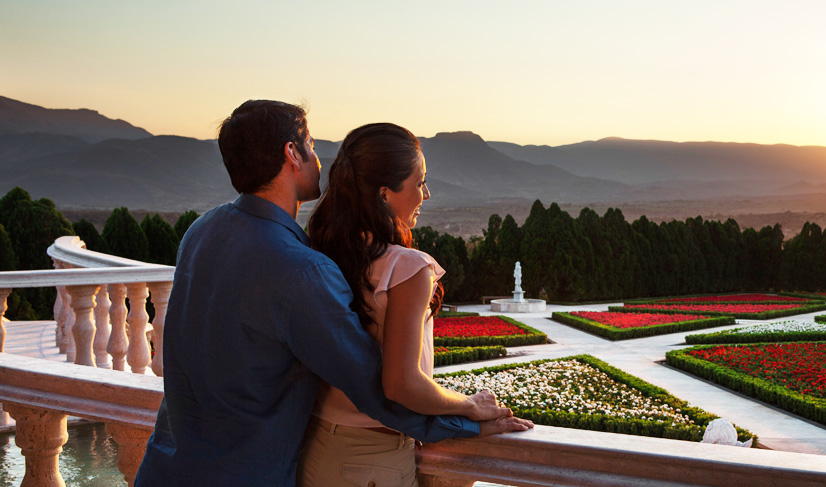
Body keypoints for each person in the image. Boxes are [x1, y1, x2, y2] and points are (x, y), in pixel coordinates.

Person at [134, 101, 526, 487]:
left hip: (165, 467)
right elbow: (379, 386)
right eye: (313, 145)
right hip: (243, 473)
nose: (320, 160)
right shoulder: (300, 269)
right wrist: (468, 416)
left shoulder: (202, 231)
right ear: (293, 154)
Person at [298, 123, 532, 486]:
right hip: (371, 463)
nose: (426, 193)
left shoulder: (323, 253)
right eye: (419, 181)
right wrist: (471, 407)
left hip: (317, 450)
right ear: (385, 193)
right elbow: (402, 384)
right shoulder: (406, 268)